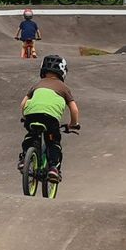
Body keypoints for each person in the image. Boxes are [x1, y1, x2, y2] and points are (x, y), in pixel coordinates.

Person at [20, 53, 81, 181]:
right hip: (50, 119)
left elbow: (23, 104)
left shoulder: (37, 85)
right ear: (62, 71)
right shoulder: (64, 88)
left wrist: (25, 117)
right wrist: (73, 124)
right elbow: (74, 110)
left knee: (31, 135)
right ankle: (53, 168)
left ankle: (24, 158)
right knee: (53, 141)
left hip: (31, 115)